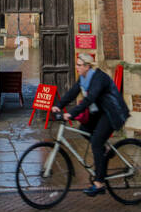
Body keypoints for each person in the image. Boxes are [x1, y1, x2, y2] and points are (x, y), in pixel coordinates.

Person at [52, 54, 129, 196]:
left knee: (96, 142)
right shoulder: (83, 79)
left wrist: (71, 114)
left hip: (112, 112)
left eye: (79, 65)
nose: (77, 67)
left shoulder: (98, 78)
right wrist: (59, 105)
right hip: (100, 112)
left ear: (87, 66)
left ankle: (99, 183)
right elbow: (72, 93)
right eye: (76, 64)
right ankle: (105, 149)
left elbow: (90, 99)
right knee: (83, 129)